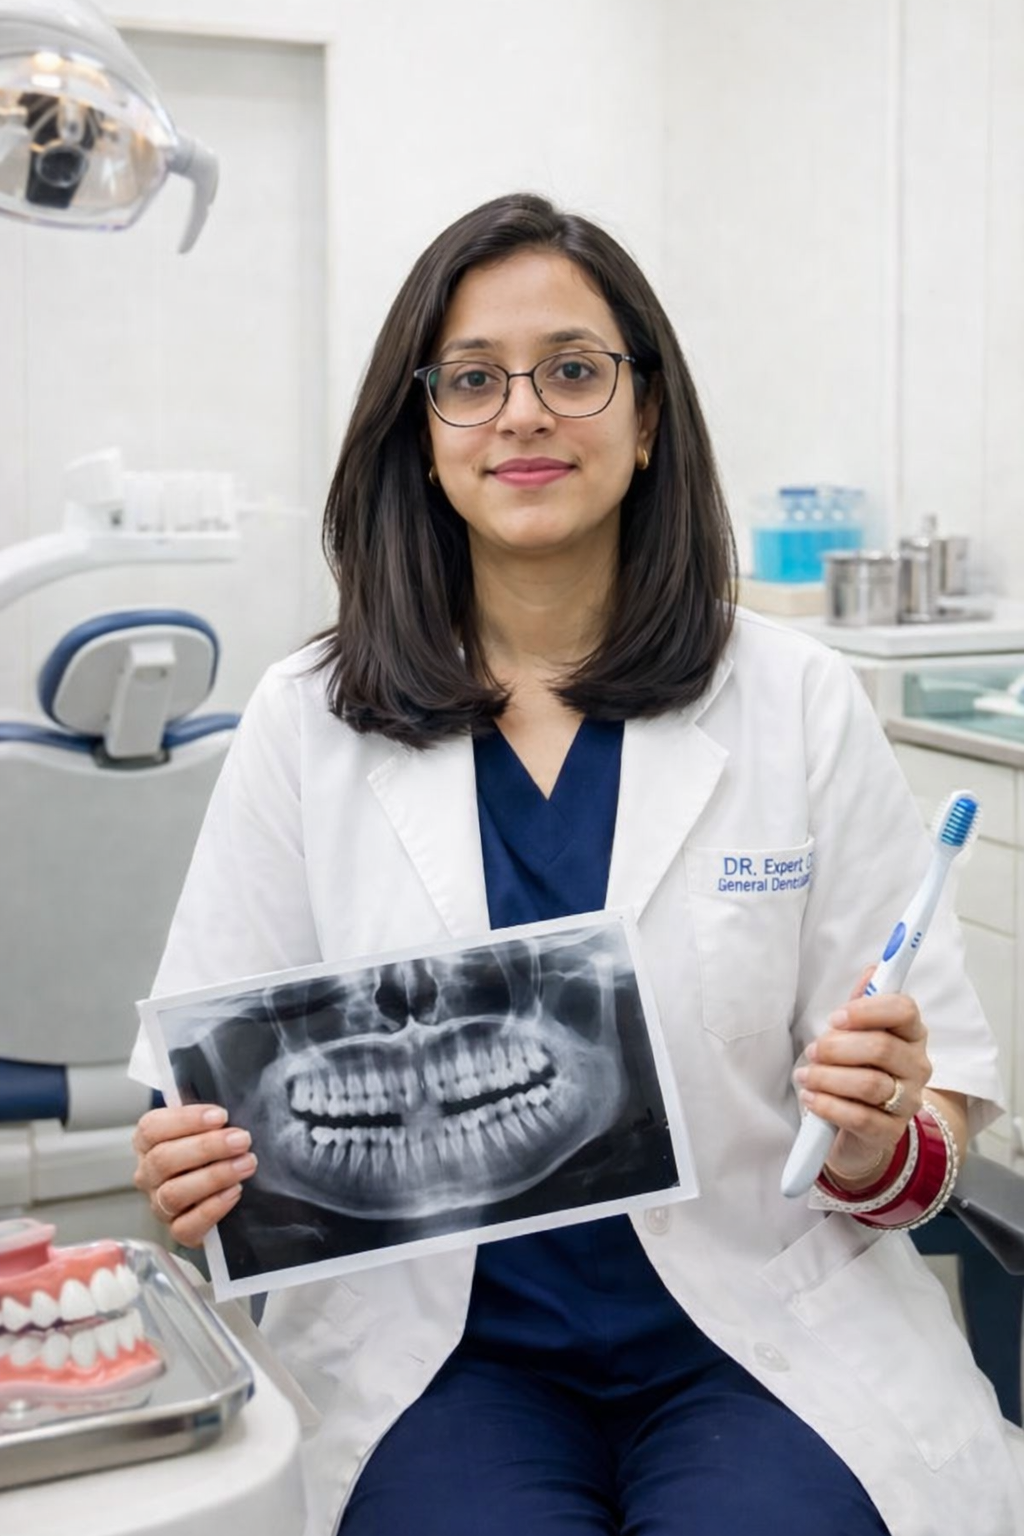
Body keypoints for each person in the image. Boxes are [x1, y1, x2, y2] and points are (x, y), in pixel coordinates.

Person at [129, 193, 1022, 1536]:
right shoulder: (303, 720)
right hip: (439, 1353)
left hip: (756, 1327)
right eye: (473, 380)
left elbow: (937, 1113)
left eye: (574, 370)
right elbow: (194, 1092)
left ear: (647, 416)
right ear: (420, 435)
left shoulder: (794, 699)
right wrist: (189, 1171)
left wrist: (881, 1134)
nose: (525, 414)